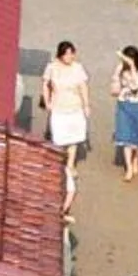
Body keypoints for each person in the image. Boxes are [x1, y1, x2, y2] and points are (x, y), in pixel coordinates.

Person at [39, 40, 90, 190]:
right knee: (59, 138)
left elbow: (83, 87)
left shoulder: (78, 68)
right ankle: (57, 163)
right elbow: (45, 84)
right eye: (67, 54)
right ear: (61, 55)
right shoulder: (52, 67)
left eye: (71, 53)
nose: (70, 56)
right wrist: (47, 102)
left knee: (73, 139)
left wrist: (86, 105)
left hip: (75, 107)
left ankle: (70, 165)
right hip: (58, 107)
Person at [110, 46, 138, 183]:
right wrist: (117, 73)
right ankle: (128, 168)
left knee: (136, 139)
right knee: (126, 139)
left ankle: (136, 158)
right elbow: (114, 88)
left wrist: (132, 67)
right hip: (123, 105)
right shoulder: (122, 69)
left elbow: (135, 86)